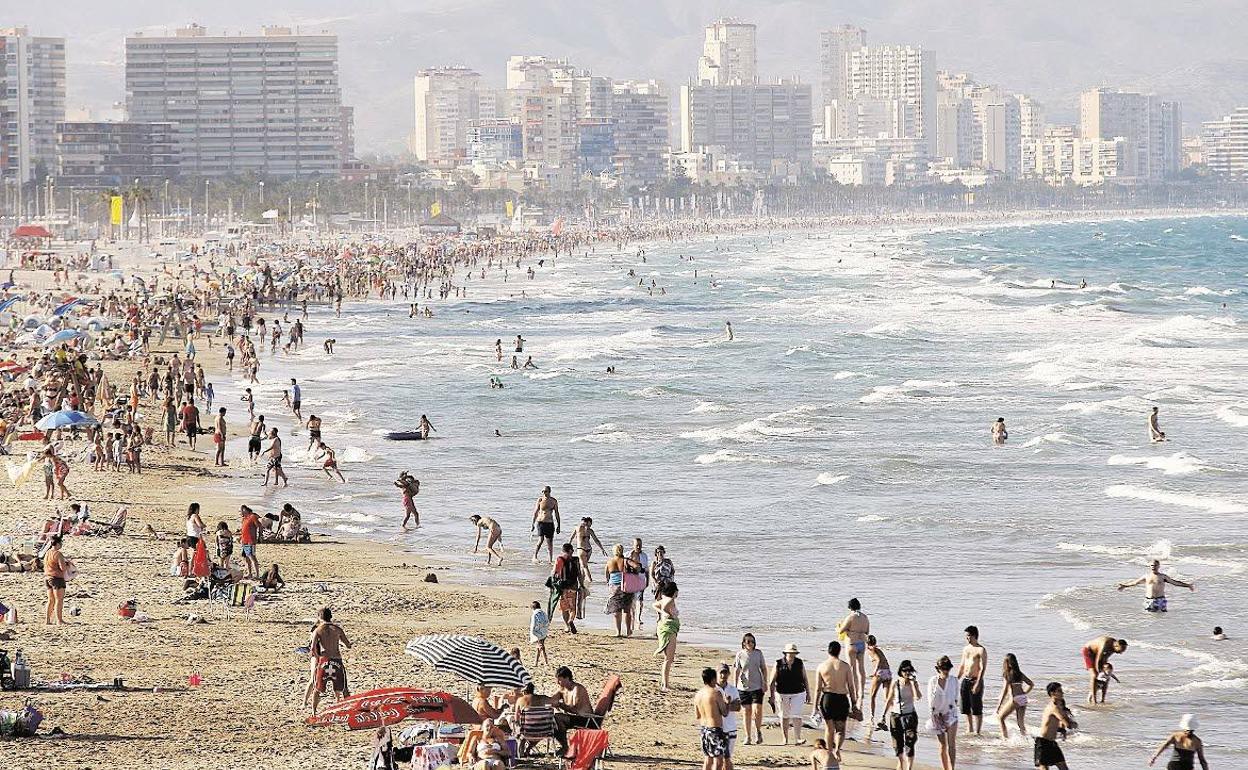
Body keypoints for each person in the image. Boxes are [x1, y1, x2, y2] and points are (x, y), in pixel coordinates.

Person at [814, 640, 857, 762]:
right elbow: (851, 686)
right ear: (839, 651)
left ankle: (829, 753)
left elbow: (817, 689)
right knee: (841, 729)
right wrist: (854, 703)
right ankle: (837, 749)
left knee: (829, 728)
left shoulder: (822, 666)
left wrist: (815, 706)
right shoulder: (845, 666)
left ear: (828, 651)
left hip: (827, 698)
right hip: (841, 699)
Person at [309, 607, 351, 714]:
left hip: (324, 660)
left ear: (319, 617)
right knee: (343, 688)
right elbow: (348, 645)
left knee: (317, 688)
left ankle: (314, 712)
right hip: (336, 660)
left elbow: (312, 648)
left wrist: (318, 659)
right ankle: (347, 709)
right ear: (331, 616)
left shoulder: (317, 630)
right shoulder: (337, 629)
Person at [881, 660, 922, 770]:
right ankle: (901, 762)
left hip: (910, 715)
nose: (907, 673)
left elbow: (917, 697)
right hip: (896, 715)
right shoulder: (896, 683)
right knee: (897, 743)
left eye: (909, 670)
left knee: (910, 740)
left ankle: (909, 767)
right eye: (905, 671)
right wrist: (883, 716)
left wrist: (913, 683)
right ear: (901, 671)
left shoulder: (914, 683)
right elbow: (889, 700)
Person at [768, 642, 810, 745]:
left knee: (797, 715)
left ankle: (798, 738)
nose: (791, 654)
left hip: (798, 692)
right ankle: (785, 739)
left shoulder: (799, 663)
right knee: (784, 715)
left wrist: (808, 693)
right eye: (789, 652)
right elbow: (772, 681)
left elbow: (805, 679)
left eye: (793, 653)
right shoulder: (778, 663)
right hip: (782, 693)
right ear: (785, 653)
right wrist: (772, 696)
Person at [1118, 559, 1194, 612]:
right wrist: (1125, 586)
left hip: (1160, 600)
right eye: (1152, 565)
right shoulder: (1146, 576)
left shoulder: (1163, 576)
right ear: (1150, 566)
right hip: (1149, 600)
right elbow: (1135, 583)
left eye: (1155, 565)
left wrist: (1188, 585)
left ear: (1158, 566)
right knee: (1149, 619)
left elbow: (1175, 582)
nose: (1153, 567)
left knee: (1162, 619)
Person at [732, 633, 767, 745]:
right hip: (743, 687)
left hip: (757, 686)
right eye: (748, 642)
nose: (750, 643)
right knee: (746, 712)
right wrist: (734, 686)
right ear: (744, 643)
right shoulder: (740, 654)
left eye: (752, 641)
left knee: (757, 711)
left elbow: (763, 668)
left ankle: (758, 731)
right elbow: (737, 670)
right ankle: (747, 736)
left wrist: (765, 682)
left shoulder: (758, 653)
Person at [694, 667, 730, 770]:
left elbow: (697, 715)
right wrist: (727, 703)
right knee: (718, 761)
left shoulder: (698, 694)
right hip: (715, 730)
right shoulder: (715, 693)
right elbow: (725, 713)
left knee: (707, 759)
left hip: (704, 729)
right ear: (713, 679)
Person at [927, 656, 959, 770]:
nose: (946, 671)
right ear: (938, 669)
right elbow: (930, 701)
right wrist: (936, 715)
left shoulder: (954, 680)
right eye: (943, 668)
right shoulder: (933, 681)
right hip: (937, 716)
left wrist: (950, 709)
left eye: (948, 668)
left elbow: (956, 699)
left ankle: (952, 768)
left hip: (951, 715)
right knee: (942, 745)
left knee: (952, 744)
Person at [1035, 683, 1075, 770]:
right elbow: (1068, 724)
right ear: (1052, 693)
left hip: (1052, 743)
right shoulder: (1054, 708)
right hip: (1043, 743)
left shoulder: (1058, 708)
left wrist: (1063, 729)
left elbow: (1055, 725)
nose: (1062, 693)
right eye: (1059, 691)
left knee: (1064, 768)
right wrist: (1072, 722)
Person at [836, 598, 870, 699]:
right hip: (861, 644)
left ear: (850, 607)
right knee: (861, 668)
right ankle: (862, 691)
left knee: (852, 669)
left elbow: (841, 630)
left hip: (851, 644)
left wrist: (837, 628)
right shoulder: (865, 617)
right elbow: (867, 632)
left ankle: (854, 691)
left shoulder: (850, 617)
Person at [956, 625, 987, 735]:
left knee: (976, 708)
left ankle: (977, 732)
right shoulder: (965, 649)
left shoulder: (981, 650)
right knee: (965, 706)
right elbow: (962, 665)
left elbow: (983, 668)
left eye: (968, 636)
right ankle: (969, 729)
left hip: (975, 680)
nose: (967, 638)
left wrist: (978, 682)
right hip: (966, 679)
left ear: (974, 636)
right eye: (966, 636)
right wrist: (956, 680)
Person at [995, 653, 1034, 738]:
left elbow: (1004, 691)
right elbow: (1031, 684)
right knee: (1020, 723)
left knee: (1000, 718)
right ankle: (1026, 739)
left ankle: (1005, 738)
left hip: (1015, 699)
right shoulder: (1019, 673)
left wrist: (999, 706)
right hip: (1023, 698)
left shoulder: (1007, 674)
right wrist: (1025, 693)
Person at [1081, 636, 1127, 704]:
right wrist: (1098, 672)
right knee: (1094, 675)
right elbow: (1098, 659)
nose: (1121, 653)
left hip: (1098, 653)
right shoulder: (1105, 644)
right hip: (1089, 651)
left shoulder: (1113, 647)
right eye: (1121, 650)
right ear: (1116, 645)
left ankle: (1102, 699)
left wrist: (1104, 671)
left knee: (1106, 676)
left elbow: (1105, 658)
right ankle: (1094, 700)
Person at [654, 581, 680, 692]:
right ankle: (665, 685)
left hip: (665, 627)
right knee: (669, 659)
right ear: (674, 591)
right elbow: (664, 607)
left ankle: (665, 683)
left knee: (668, 659)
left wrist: (662, 612)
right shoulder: (670, 600)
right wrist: (667, 613)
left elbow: (654, 605)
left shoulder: (664, 599)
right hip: (668, 629)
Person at [552, 543, 583, 634]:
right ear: (569, 551)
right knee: (572, 608)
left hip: (562, 587)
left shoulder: (559, 559)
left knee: (564, 608)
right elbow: (579, 574)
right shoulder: (576, 560)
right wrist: (582, 585)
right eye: (572, 550)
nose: (573, 552)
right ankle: (571, 620)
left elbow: (554, 572)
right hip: (573, 586)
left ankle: (566, 626)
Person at [604, 543, 634, 636]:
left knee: (617, 611)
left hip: (614, 587)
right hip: (626, 586)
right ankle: (628, 630)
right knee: (627, 610)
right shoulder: (626, 561)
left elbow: (607, 575)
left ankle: (618, 631)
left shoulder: (610, 562)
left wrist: (608, 583)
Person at [865, 635, 892, 733]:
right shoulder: (878, 649)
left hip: (880, 672)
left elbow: (878, 660)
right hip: (888, 673)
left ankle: (871, 718)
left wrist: (874, 672)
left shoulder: (870, 650)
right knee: (887, 698)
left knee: (872, 696)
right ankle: (884, 718)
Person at [716, 663, 741, 768]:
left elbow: (738, 707)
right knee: (717, 759)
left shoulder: (733, 689)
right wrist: (726, 705)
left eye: (725, 672)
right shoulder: (712, 690)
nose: (723, 675)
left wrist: (725, 705)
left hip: (730, 728)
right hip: (716, 728)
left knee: (727, 759)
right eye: (721, 673)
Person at [43, 534, 69, 625]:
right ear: (57, 544)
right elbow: (63, 568)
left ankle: (47, 620)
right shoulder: (58, 554)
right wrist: (68, 565)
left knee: (50, 600)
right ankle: (59, 620)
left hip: (47, 577)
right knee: (59, 600)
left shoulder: (47, 552)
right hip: (57, 578)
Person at [531, 486, 561, 563]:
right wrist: (532, 524)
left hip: (550, 523)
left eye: (545, 491)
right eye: (543, 491)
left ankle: (550, 560)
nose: (544, 493)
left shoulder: (553, 501)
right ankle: (535, 556)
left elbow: (557, 513)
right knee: (540, 540)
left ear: (549, 491)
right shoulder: (540, 500)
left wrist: (558, 525)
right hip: (541, 522)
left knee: (550, 542)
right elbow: (535, 512)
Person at [239, 505, 261, 579]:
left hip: (250, 541)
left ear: (244, 510)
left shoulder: (252, 517)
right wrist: (240, 538)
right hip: (244, 541)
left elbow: (259, 526)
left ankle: (257, 575)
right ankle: (250, 573)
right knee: (246, 557)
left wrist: (260, 536)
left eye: (240, 511)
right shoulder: (244, 519)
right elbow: (244, 530)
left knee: (252, 557)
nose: (240, 513)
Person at [529, 600, 549, 666]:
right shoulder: (543, 613)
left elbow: (533, 625)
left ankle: (536, 662)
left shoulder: (535, 615)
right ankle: (545, 661)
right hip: (544, 632)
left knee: (539, 647)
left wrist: (533, 633)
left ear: (533, 608)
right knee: (542, 647)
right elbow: (547, 622)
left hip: (538, 633)